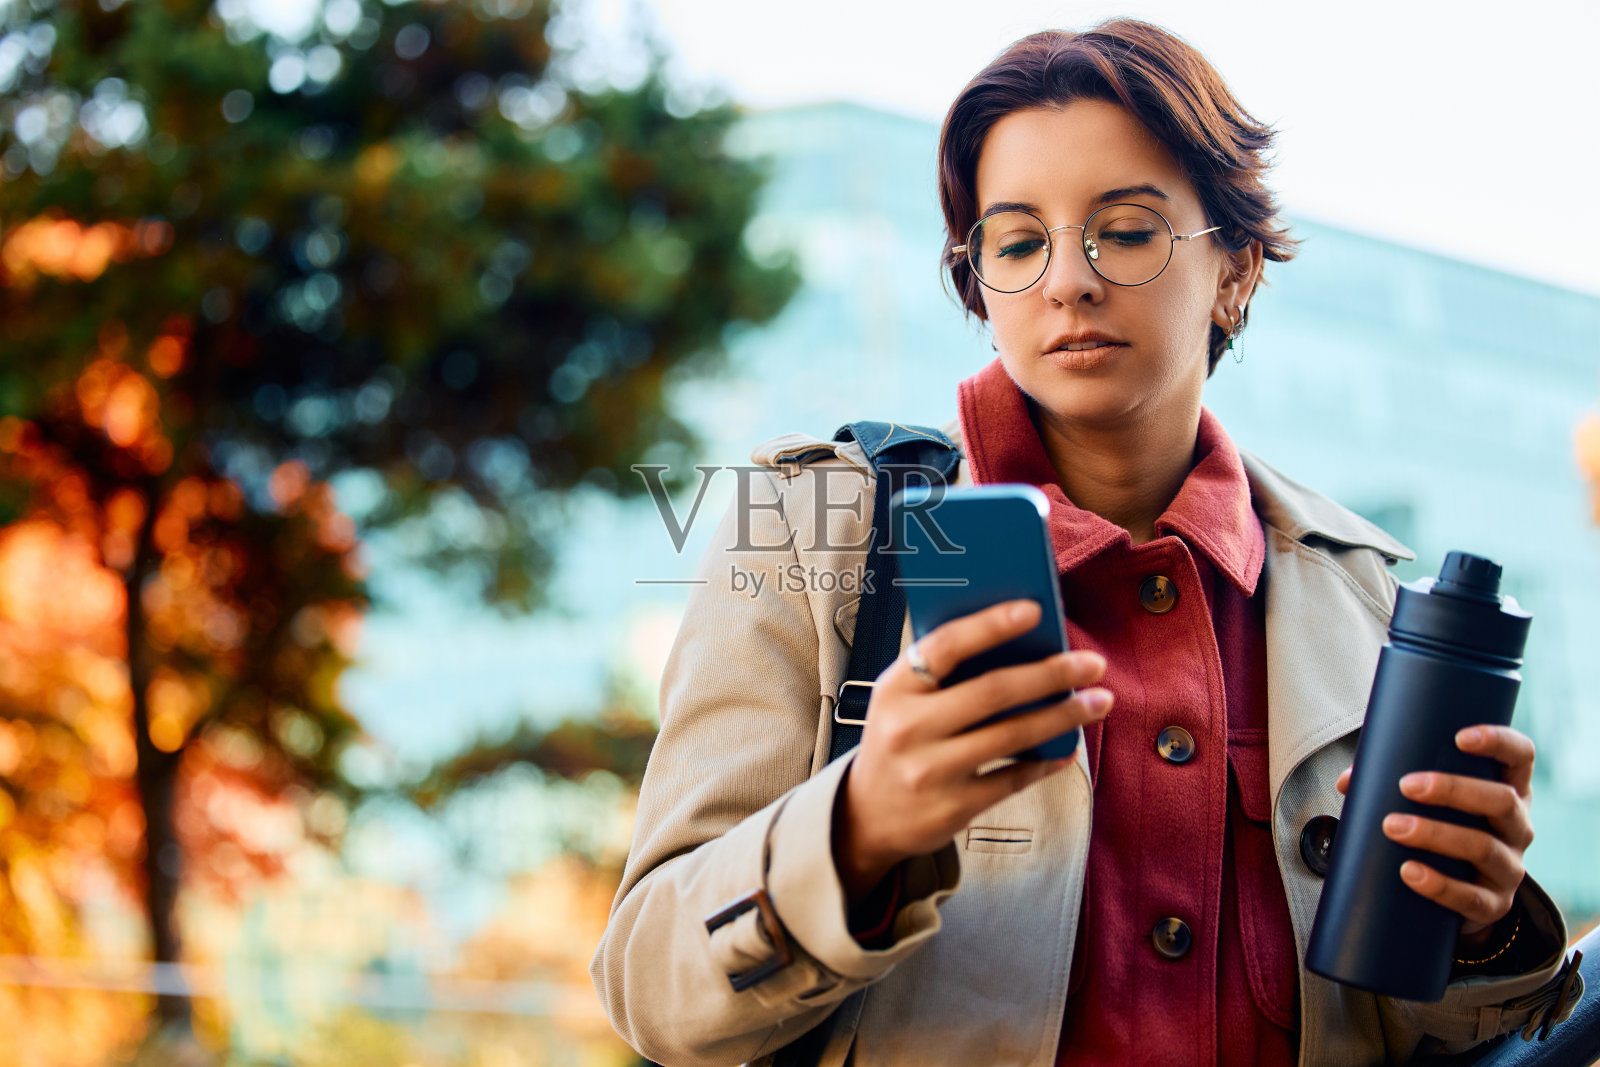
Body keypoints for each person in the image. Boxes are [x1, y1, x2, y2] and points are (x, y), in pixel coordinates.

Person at [591, 19, 1579, 1066]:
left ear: (1234, 270)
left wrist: (1480, 925)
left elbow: (1446, 1028)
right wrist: (860, 826)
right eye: (1018, 242)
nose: (1069, 279)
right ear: (981, 287)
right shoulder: (816, 538)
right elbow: (651, 985)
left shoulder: (1367, 605)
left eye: (1129, 228)